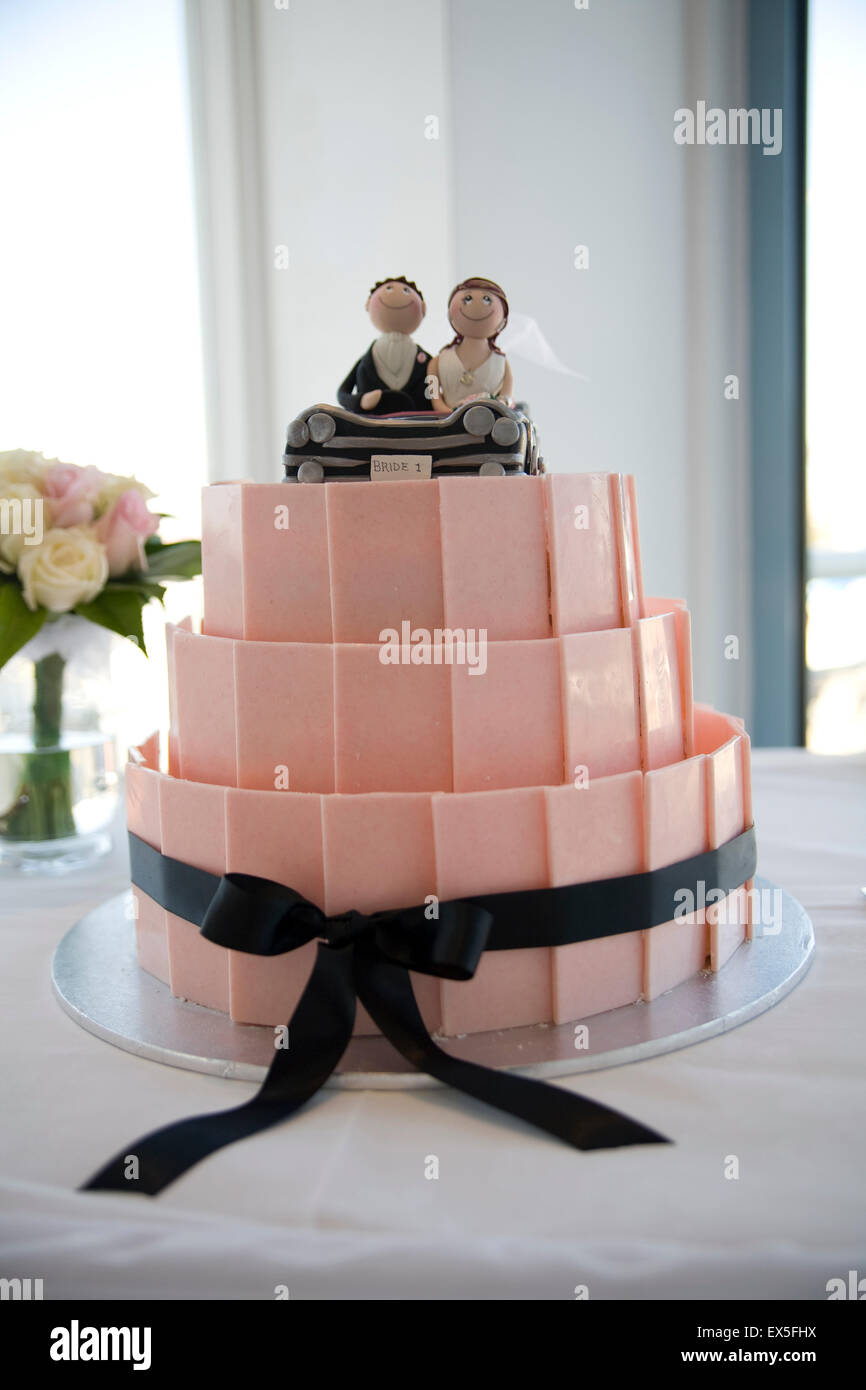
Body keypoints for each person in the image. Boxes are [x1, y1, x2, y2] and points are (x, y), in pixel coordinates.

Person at [337, 276, 433, 414]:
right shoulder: (366, 361)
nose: (396, 294)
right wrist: (360, 401)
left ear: (422, 308)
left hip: (417, 429)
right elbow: (342, 393)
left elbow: (434, 390)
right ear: (368, 304)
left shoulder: (427, 362)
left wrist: (439, 407)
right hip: (372, 429)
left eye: (406, 291)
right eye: (388, 289)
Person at [427, 276, 513, 413]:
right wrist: (449, 414)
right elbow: (433, 396)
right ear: (450, 315)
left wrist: (500, 404)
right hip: (446, 428)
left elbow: (507, 399)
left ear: (503, 321)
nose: (477, 304)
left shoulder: (502, 363)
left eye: (487, 299)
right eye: (467, 298)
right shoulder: (436, 363)